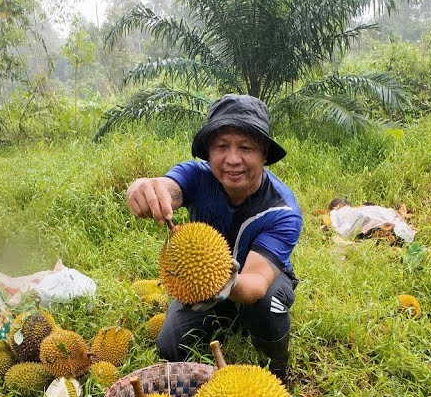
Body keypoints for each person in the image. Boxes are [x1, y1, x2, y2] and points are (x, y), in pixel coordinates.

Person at [125, 94, 302, 381]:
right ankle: (228, 316)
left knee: (266, 304)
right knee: (169, 345)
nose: (233, 159)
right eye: (221, 146)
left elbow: (256, 282)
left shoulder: (282, 211)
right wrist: (144, 188)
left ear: (264, 155)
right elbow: (169, 188)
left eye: (246, 147)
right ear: (208, 152)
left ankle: (277, 361)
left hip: (259, 280)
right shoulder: (195, 176)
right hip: (202, 281)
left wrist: (224, 283)